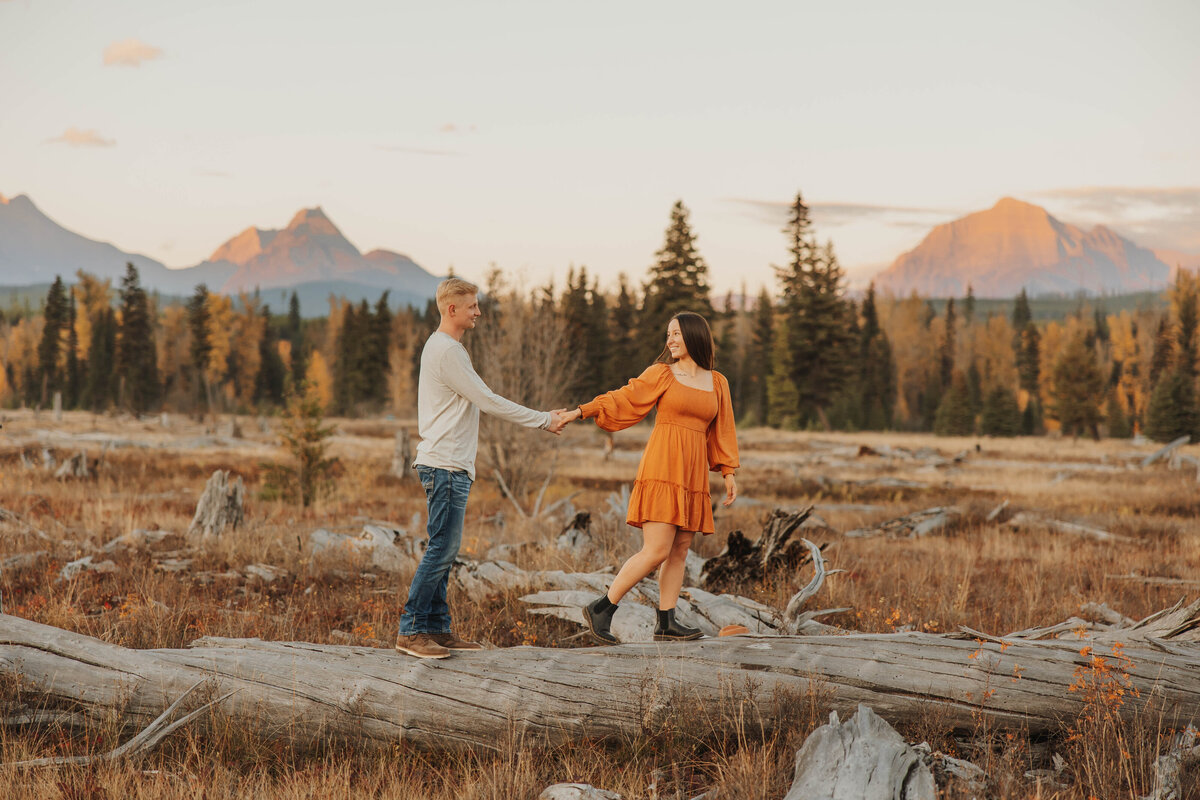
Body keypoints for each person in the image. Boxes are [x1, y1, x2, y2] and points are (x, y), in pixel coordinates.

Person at [396, 278, 572, 659]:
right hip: (444, 465)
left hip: (450, 464)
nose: (479, 311)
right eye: (472, 305)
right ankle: (411, 630)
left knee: (446, 547)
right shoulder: (447, 352)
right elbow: (489, 401)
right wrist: (544, 420)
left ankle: (436, 628)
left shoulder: (447, 348)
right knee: (442, 548)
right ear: (452, 309)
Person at [564, 311, 739, 643]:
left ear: (694, 336)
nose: (669, 340)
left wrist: (728, 472)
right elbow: (624, 397)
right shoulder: (662, 374)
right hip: (663, 465)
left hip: (693, 474)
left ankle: (666, 621)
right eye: (667, 334)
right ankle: (602, 608)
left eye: (675, 334)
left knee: (680, 550)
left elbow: (723, 430)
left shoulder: (718, 382)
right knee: (657, 549)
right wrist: (582, 410)